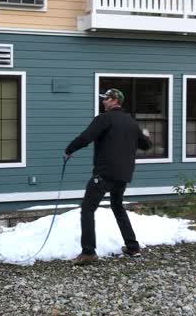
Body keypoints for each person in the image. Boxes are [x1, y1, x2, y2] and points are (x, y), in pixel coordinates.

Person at [64, 88, 152, 265]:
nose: (103, 101)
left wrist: (69, 150)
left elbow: (86, 137)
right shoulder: (131, 122)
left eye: (106, 99)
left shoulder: (104, 119)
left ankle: (88, 252)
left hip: (104, 174)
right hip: (123, 175)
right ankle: (133, 246)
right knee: (118, 207)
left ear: (114, 101)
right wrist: (146, 136)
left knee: (87, 209)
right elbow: (146, 146)